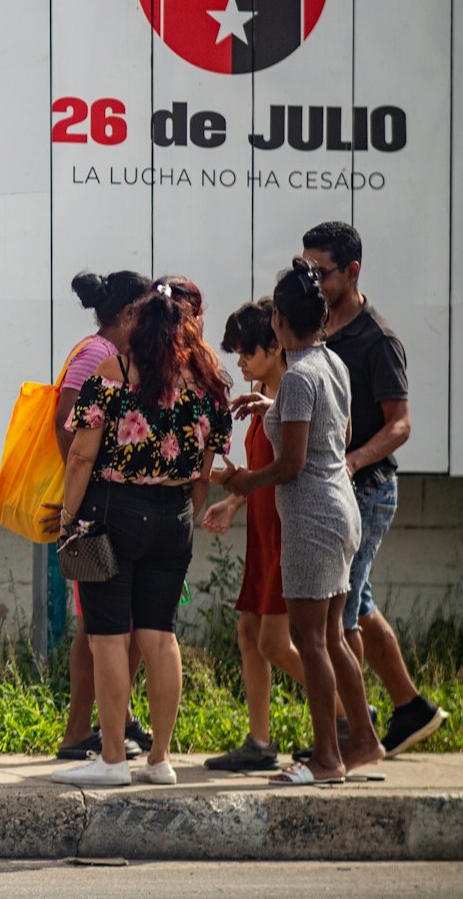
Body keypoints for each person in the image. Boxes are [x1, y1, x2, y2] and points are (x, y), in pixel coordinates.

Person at [48, 277, 232, 787]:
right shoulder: (207, 383)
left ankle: (111, 759)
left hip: (113, 511)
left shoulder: (116, 371)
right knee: (160, 637)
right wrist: (185, 516)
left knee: (108, 638)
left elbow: (82, 453)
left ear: (141, 324)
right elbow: (203, 470)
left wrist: (68, 519)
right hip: (174, 517)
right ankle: (161, 760)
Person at [220, 262, 386, 784]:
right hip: (342, 507)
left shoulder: (297, 378)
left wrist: (245, 482)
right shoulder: (329, 364)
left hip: (311, 518)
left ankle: (327, 758)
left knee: (309, 640)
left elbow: (290, 465)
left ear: (281, 324)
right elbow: (338, 429)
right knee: (332, 637)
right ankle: (363, 741)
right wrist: (274, 407)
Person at [298, 222, 448, 756]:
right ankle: (409, 707)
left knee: (337, 612)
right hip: (340, 486)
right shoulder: (320, 326)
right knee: (357, 602)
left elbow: (401, 423)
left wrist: (354, 460)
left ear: (352, 271)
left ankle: (351, 731)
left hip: (366, 489)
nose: (312, 281)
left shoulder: (377, 337)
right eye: (305, 270)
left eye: (321, 272)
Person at [201, 300, 309, 771]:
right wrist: (234, 498)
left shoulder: (293, 394)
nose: (239, 361)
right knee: (249, 633)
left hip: (286, 532)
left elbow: (293, 468)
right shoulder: (264, 392)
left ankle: (349, 712)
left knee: (273, 642)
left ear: (274, 346)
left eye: (247, 351)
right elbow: (265, 471)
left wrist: (242, 484)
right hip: (263, 532)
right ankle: (260, 741)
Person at [54, 271, 153, 762]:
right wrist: (88, 494)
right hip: (97, 510)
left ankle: (115, 719)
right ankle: (78, 733)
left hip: (107, 507)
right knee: (98, 625)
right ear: (131, 313)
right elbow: (65, 424)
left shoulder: (107, 355)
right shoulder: (97, 356)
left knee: (113, 624)